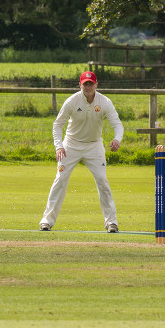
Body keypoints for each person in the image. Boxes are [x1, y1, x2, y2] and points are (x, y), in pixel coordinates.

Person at [39, 70, 123, 232]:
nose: (88, 87)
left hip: (94, 145)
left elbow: (117, 124)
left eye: (91, 84)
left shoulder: (104, 102)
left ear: (96, 85)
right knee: (60, 179)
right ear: (80, 85)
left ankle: (111, 222)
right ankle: (46, 220)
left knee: (102, 181)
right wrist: (59, 146)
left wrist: (117, 139)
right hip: (71, 144)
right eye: (85, 84)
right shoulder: (72, 101)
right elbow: (57, 125)